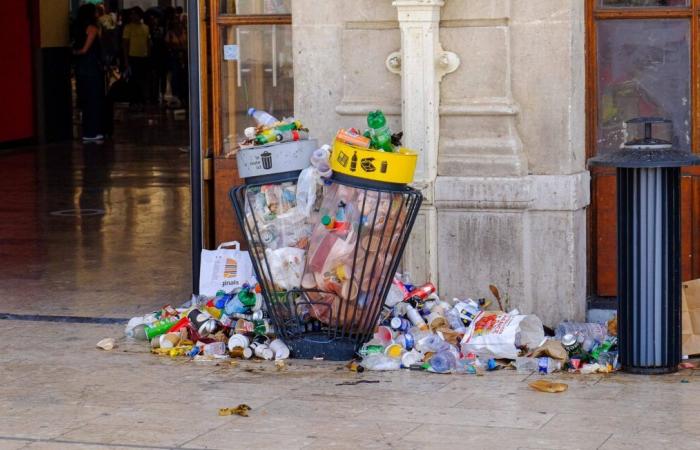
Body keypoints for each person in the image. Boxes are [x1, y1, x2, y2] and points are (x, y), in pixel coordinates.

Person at [73, 3, 105, 142]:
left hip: (81, 67)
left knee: (85, 99)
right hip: (91, 66)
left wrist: (74, 52)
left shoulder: (77, 28)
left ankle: (88, 131)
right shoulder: (92, 28)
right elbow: (86, 49)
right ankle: (92, 132)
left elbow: (78, 48)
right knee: (94, 99)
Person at [122, 7, 150, 110]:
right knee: (133, 80)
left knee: (142, 79)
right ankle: (133, 100)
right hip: (133, 56)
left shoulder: (146, 27)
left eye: (134, 14)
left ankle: (142, 100)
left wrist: (148, 55)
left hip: (143, 56)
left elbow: (148, 42)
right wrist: (126, 60)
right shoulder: (128, 27)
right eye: (131, 14)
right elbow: (125, 44)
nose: (132, 16)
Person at [165, 14, 188, 109]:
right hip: (174, 56)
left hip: (184, 56)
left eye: (179, 23)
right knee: (175, 76)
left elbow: (187, 43)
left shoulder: (185, 32)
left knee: (184, 76)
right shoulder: (170, 33)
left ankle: (184, 97)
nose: (178, 24)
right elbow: (167, 45)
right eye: (176, 23)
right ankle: (176, 96)